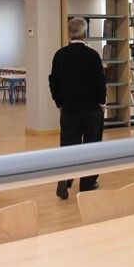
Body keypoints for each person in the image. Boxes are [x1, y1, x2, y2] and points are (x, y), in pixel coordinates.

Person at [49, 17, 106, 200]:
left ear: (69, 33)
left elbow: (53, 81)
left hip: (69, 109)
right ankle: (87, 184)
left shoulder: (60, 55)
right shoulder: (92, 55)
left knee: (68, 145)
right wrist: (102, 102)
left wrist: (59, 102)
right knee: (91, 146)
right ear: (84, 33)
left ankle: (65, 179)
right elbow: (99, 82)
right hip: (91, 109)